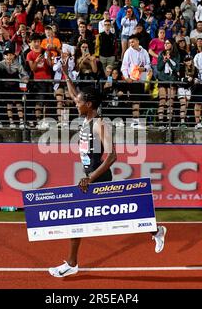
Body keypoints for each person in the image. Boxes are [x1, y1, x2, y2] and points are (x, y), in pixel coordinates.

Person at [48, 63, 167, 278]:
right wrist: (66, 74)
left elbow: (113, 156)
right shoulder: (86, 117)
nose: (76, 103)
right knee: (121, 214)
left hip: (99, 177)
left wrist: (90, 178)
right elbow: (74, 94)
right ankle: (156, 231)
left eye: (80, 102)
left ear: (90, 104)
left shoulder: (100, 124)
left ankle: (73, 263)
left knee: (87, 218)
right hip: (91, 177)